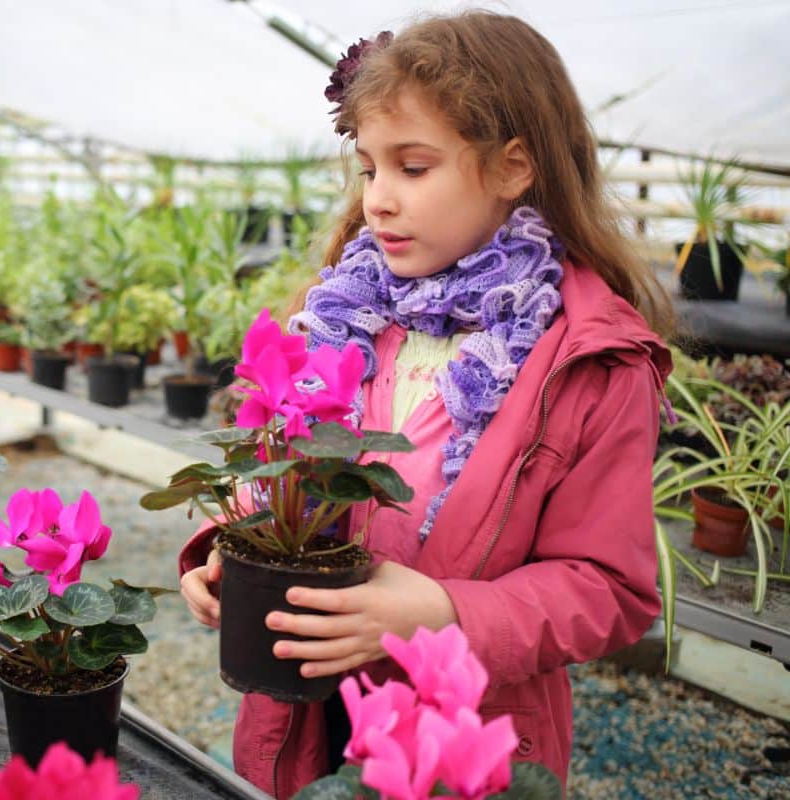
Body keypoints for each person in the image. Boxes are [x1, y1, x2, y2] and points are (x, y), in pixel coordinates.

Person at [178, 11, 676, 799]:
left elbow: (609, 589)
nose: (377, 200)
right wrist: (227, 545)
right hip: (310, 715)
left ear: (515, 167)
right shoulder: (345, 309)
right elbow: (279, 465)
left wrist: (444, 612)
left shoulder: (590, 360)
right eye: (368, 168)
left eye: (413, 168)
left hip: (465, 734)